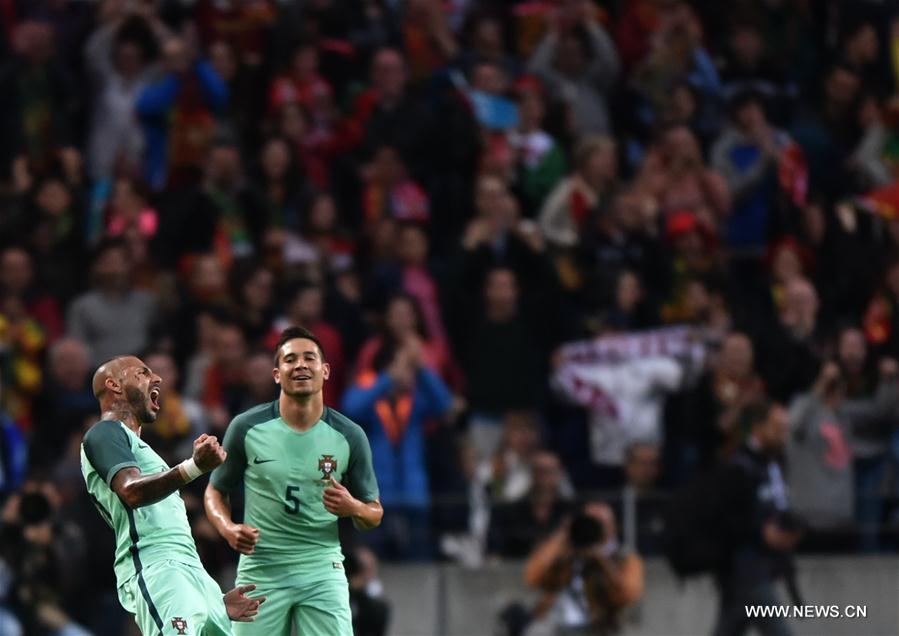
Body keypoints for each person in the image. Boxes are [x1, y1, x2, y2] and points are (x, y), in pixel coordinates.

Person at [205, 326, 382, 636]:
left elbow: (374, 512)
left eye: (309, 358)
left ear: (325, 371)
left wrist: (353, 507)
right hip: (261, 568)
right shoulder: (246, 427)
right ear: (277, 374)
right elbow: (215, 491)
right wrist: (228, 528)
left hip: (321, 569)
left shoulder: (349, 435)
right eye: (290, 359)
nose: (300, 365)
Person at [80, 355, 265, 635]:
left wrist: (208, 600)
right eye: (142, 373)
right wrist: (193, 467)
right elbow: (131, 492)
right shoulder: (104, 433)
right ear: (114, 385)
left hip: (191, 571)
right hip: (158, 564)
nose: (157, 379)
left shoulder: (142, 449)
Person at [714, 400, 802, 636]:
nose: (783, 436)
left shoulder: (775, 462)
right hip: (746, 566)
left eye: (785, 429)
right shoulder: (738, 466)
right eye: (777, 429)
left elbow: (777, 504)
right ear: (758, 428)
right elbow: (727, 518)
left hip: (764, 565)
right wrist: (762, 533)